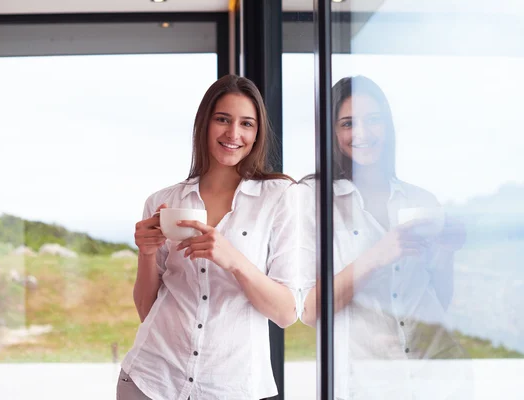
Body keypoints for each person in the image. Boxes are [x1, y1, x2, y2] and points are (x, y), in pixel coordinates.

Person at [117, 74, 299, 400]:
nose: (233, 133)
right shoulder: (164, 201)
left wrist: (234, 260)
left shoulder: (280, 197)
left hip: (233, 387)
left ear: (257, 134)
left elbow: (285, 313)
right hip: (151, 381)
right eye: (223, 120)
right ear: (205, 124)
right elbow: (147, 310)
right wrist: (147, 252)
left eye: (247, 124)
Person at [299, 76, 470, 399]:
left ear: (388, 127)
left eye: (373, 120)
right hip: (364, 382)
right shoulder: (312, 199)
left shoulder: (420, 200)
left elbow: (439, 298)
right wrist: (377, 256)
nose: (362, 133)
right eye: (348, 123)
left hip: (439, 375)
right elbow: (309, 311)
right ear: (332, 132)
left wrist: (447, 253)